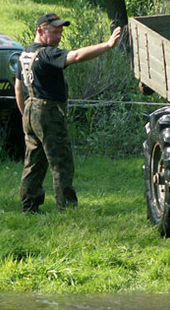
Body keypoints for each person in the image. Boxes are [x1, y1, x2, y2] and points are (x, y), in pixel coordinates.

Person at [14, 13, 122, 213]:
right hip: (48, 111)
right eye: (54, 32)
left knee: (33, 162)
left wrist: (24, 116)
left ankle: (29, 206)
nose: (58, 37)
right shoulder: (47, 54)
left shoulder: (24, 54)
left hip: (30, 109)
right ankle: (67, 209)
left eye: (61, 32)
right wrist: (107, 45)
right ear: (40, 30)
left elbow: (18, 87)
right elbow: (77, 56)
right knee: (61, 162)